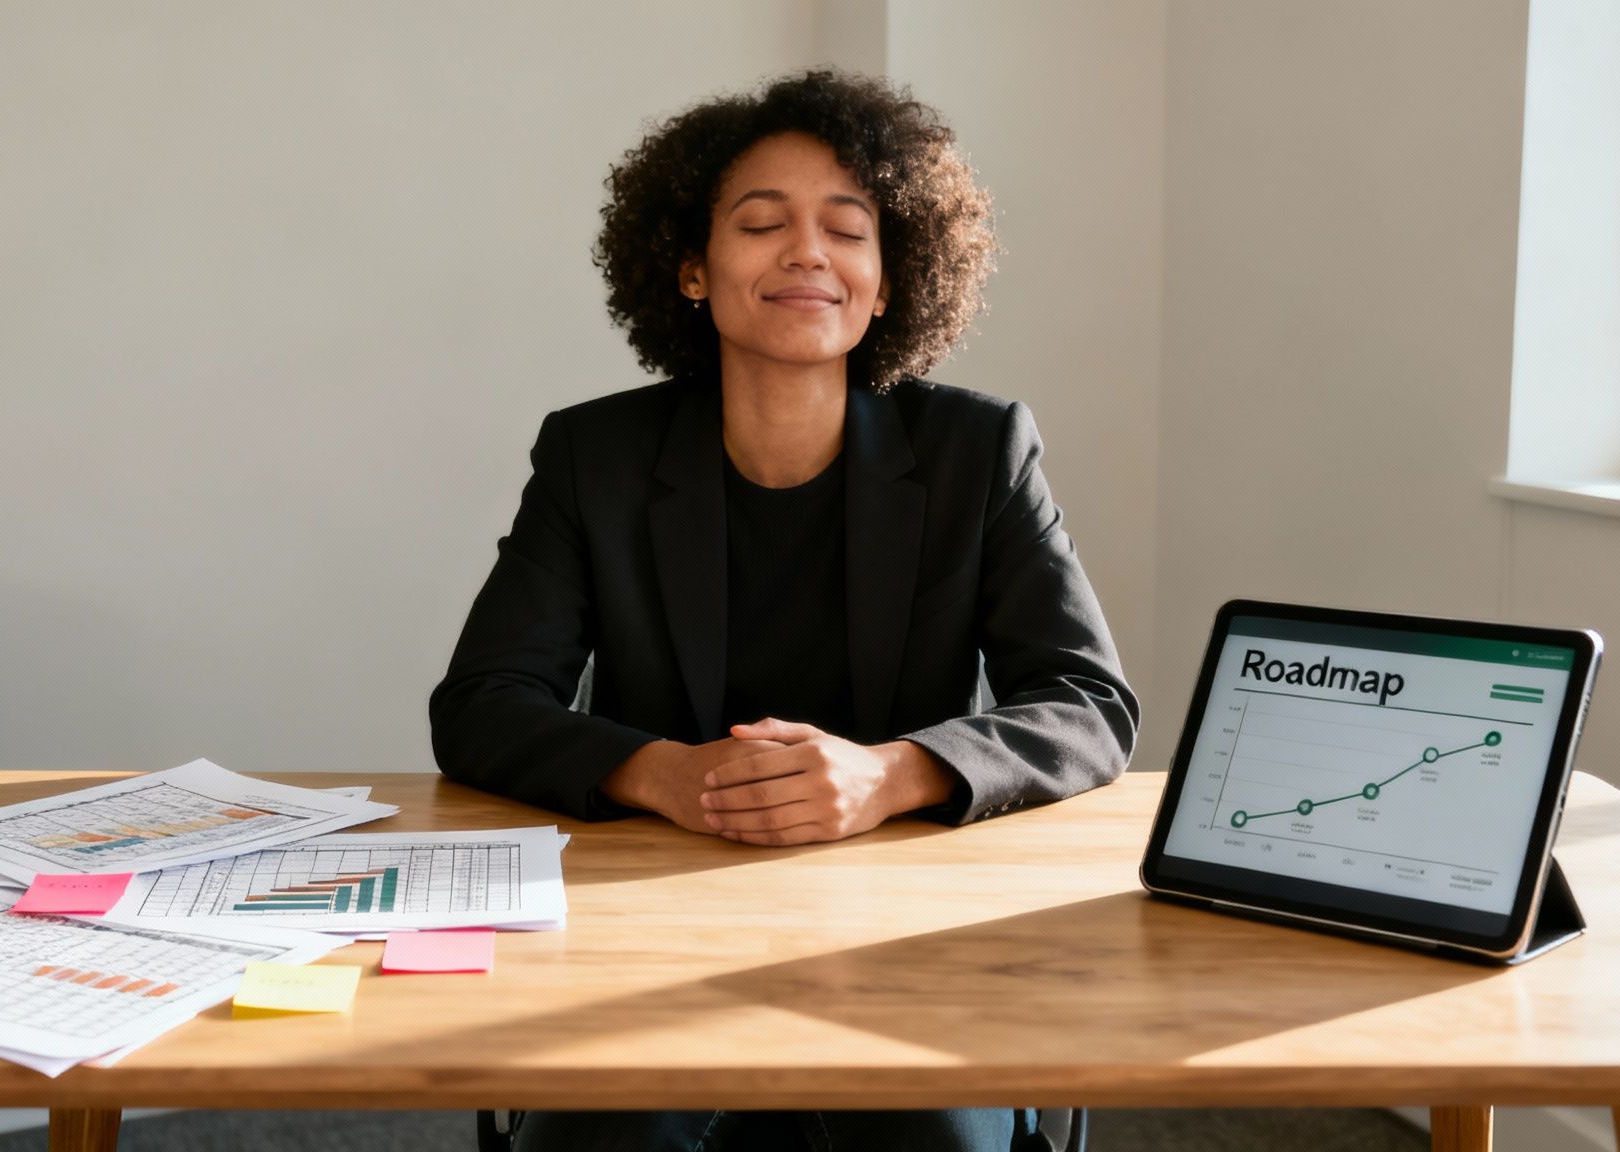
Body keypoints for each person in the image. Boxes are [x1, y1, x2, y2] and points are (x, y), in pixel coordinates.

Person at [429, 69, 1138, 1152]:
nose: (807, 252)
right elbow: (481, 703)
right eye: (760, 223)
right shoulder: (595, 457)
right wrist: (661, 769)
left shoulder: (978, 451)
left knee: (929, 1138)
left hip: (905, 926)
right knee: (607, 1139)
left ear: (889, 282)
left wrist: (890, 773)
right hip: (652, 924)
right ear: (690, 271)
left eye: (847, 232)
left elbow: (1087, 703)